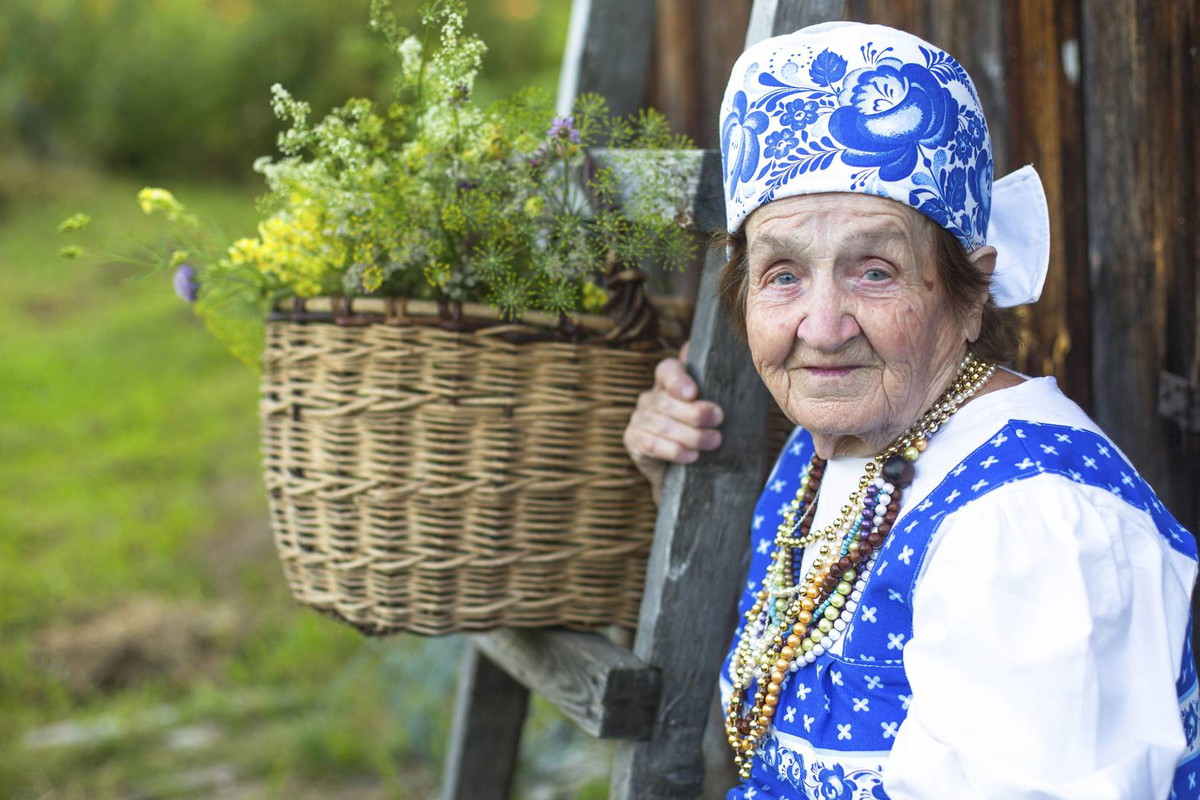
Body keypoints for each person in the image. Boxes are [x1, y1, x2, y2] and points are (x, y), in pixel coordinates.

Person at [623, 21, 1199, 800]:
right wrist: (675, 483)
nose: (822, 329)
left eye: (874, 271)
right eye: (783, 275)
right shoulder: (834, 446)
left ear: (971, 292)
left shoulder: (1030, 528)